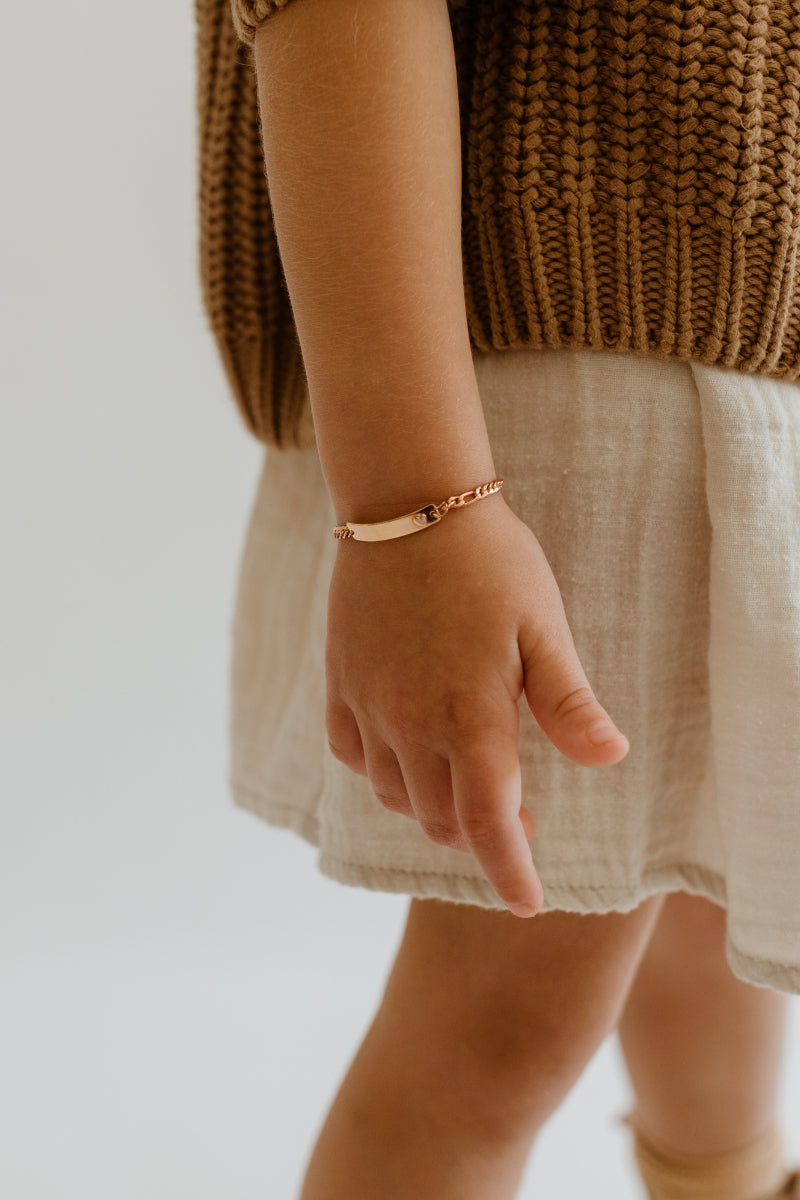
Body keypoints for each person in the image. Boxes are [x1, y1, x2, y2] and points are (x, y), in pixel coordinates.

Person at [196, 0, 800, 1196]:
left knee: (698, 900)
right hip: (563, 381)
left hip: (729, 348)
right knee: (484, 1055)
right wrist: (420, 509)